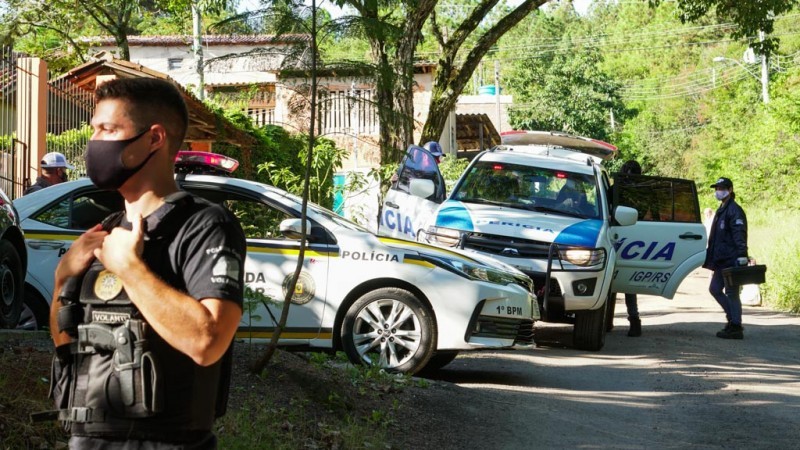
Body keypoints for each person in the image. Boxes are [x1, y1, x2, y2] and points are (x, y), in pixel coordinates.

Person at [47, 78, 246, 448]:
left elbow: (209, 341)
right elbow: (67, 345)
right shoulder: (103, 232)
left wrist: (131, 270)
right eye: (95, 130)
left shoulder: (205, 226)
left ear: (154, 139)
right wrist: (62, 281)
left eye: (108, 129)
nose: (95, 143)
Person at [703, 177, 748, 339]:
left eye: (721, 188)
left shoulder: (734, 210)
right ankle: (733, 320)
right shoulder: (722, 209)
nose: (717, 191)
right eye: (716, 188)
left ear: (730, 190)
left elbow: (739, 235)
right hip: (721, 260)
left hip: (732, 259)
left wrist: (742, 255)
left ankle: (735, 326)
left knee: (732, 292)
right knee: (714, 289)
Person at [609, 160, 644, 337]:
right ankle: (633, 321)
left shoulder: (616, 189)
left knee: (610, 280)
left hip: (616, 236)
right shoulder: (643, 191)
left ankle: (608, 321)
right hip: (631, 239)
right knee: (627, 282)